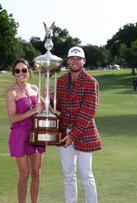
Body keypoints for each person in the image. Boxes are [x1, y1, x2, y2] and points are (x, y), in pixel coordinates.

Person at [55, 46, 103, 203]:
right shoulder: (61, 81)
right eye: (72, 58)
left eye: (78, 58)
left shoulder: (91, 82)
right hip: (64, 132)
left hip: (84, 133)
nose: (75, 61)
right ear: (68, 61)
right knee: (68, 174)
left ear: (84, 61)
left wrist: (72, 136)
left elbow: (88, 112)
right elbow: (59, 107)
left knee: (86, 174)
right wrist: (48, 99)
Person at [5, 58, 45, 203]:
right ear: (14, 73)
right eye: (17, 70)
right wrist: (33, 110)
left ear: (29, 71)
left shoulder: (34, 88)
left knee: (37, 173)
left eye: (23, 70)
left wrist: (48, 98)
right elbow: (13, 118)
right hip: (20, 135)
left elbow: (44, 107)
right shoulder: (11, 92)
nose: (21, 73)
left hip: (36, 133)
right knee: (24, 174)